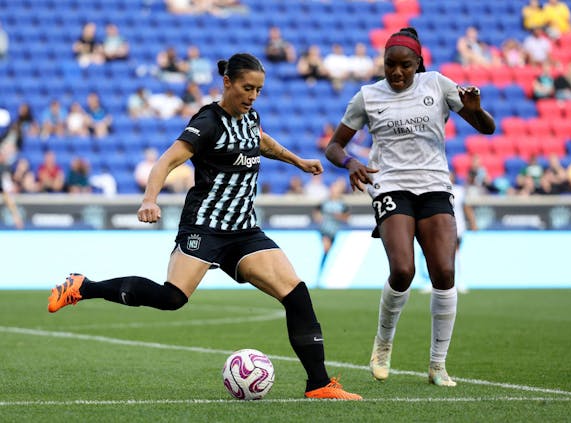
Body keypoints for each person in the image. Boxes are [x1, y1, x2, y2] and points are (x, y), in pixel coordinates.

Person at [47, 52, 361, 401]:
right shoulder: (208, 122)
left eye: (258, 90)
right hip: (204, 228)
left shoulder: (249, 116)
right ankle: (83, 286)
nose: (253, 96)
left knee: (296, 294)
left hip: (244, 231)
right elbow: (166, 161)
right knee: (172, 298)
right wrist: (149, 199)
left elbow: (260, 140)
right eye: (246, 88)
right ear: (227, 83)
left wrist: (297, 161)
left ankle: (318, 383)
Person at [324, 27, 495, 386]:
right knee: (403, 270)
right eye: (390, 65)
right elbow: (334, 146)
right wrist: (351, 162)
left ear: (418, 63)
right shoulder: (367, 96)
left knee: (444, 273)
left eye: (404, 66)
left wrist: (477, 112)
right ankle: (383, 344)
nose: (397, 73)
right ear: (383, 64)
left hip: (434, 185)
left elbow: (487, 128)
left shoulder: (436, 84)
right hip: (389, 185)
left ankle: (437, 365)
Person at [312, 177, 349, 274]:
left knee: (329, 252)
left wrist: (339, 216)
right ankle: (320, 271)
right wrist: (318, 217)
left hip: (334, 231)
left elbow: (346, 217)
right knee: (326, 248)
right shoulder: (325, 202)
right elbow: (317, 212)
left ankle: (324, 270)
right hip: (325, 230)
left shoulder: (341, 204)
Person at [0, 152, 24, 229]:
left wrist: (20, 170)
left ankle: (17, 219)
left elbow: (13, 179)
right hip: (4, 192)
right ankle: (17, 218)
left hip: (7, 191)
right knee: (8, 197)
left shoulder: (7, 167)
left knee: (9, 198)